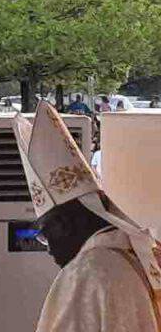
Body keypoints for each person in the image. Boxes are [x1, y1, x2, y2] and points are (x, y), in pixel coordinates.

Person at [13, 102, 161, 331]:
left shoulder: (86, 273)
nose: (49, 248)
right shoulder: (143, 254)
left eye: (45, 233)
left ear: (67, 223)